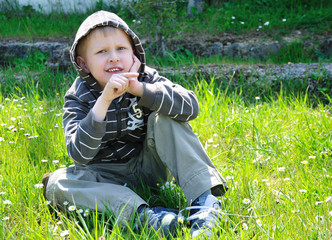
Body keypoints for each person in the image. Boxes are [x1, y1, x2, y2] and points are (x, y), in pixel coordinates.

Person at [43, 10, 228, 237]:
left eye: (121, 49)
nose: (114, 57)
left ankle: (204, 202)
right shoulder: (78, 97)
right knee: (56, 183)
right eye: (102, 52)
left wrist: (140, 90)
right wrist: (103, 102)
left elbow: (191, 108)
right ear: (83, 64)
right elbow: (79, 154)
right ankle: (147, 217)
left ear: (134, 54)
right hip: (104, 178)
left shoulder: (146, 79)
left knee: (168, 115)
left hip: (148, 167)